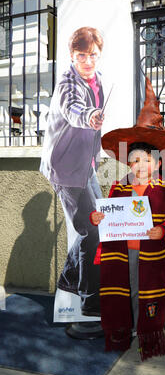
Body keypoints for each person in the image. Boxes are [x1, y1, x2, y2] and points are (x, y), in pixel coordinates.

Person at [90, 78, 165, 360]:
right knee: (125, 291)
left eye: (146, 160)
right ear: (128, 164)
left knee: (147, 294)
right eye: (134, 161)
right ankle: (126, 329)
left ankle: (146, 331)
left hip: (151, 254)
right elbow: (106, 214)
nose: (140, 166)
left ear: (157, 163)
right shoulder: (119, 187)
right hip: (122, 253)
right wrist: (96, 217)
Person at [40, 26, 113, 320]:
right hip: (66, 168)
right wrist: (91, 116)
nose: (87, 61)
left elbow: (95, 125)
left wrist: (96, 157)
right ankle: (89, 300)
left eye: (92, 55)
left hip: (86, 164)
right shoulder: (67, 84)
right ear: (72, 55)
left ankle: (70, 278)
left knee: (100, 223)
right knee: (91, 229)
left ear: (99, 55)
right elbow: (74, 110)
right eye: (81, 55)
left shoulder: (98, 80)